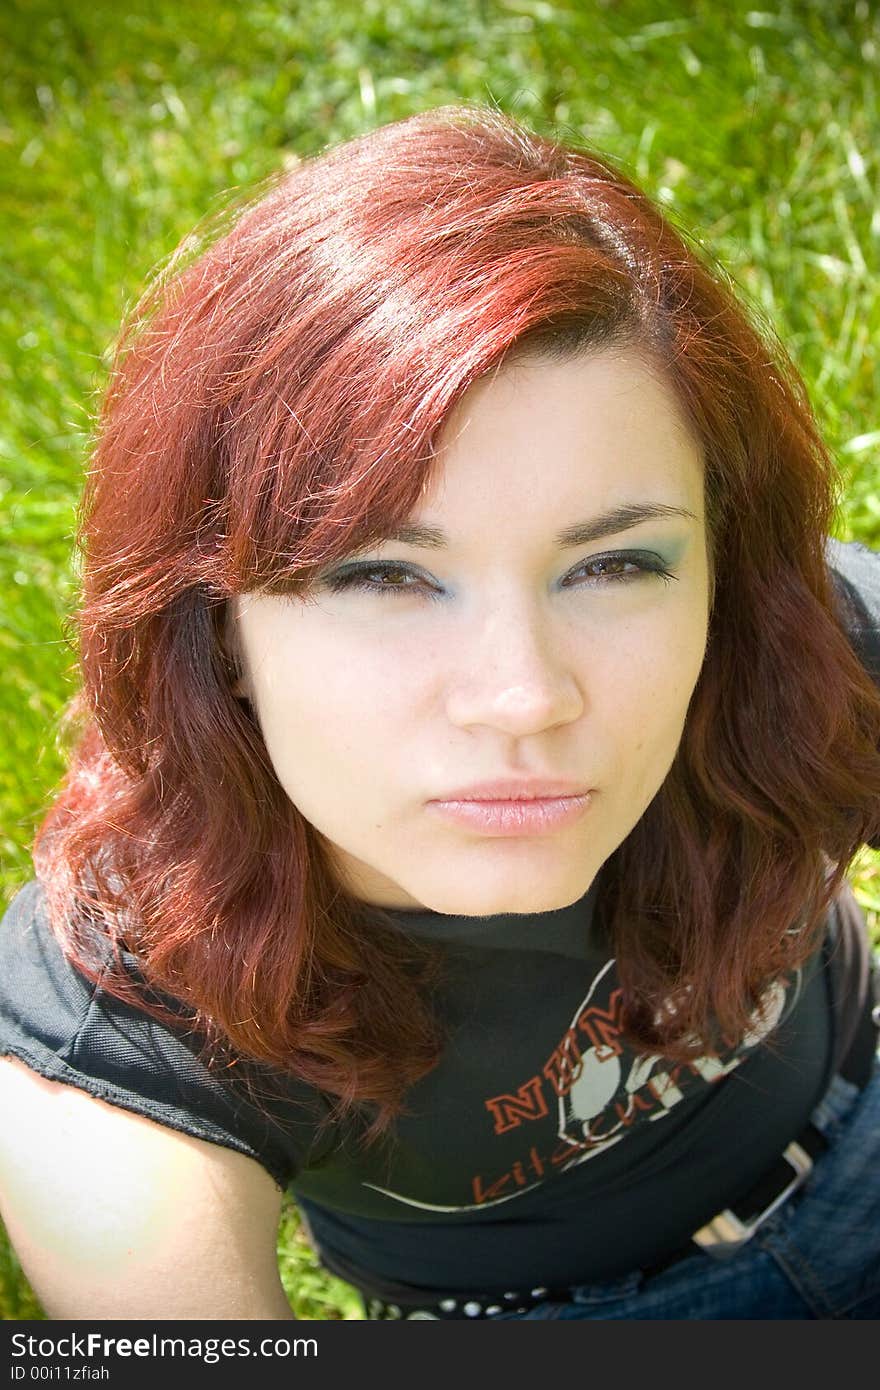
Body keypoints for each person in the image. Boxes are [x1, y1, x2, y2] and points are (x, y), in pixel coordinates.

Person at [0, 105, 878, 1323]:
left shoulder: (792, 653)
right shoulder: (122, 1015)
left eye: (615, 565)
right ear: (220, 632)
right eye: (383, 576)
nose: (523, 696)